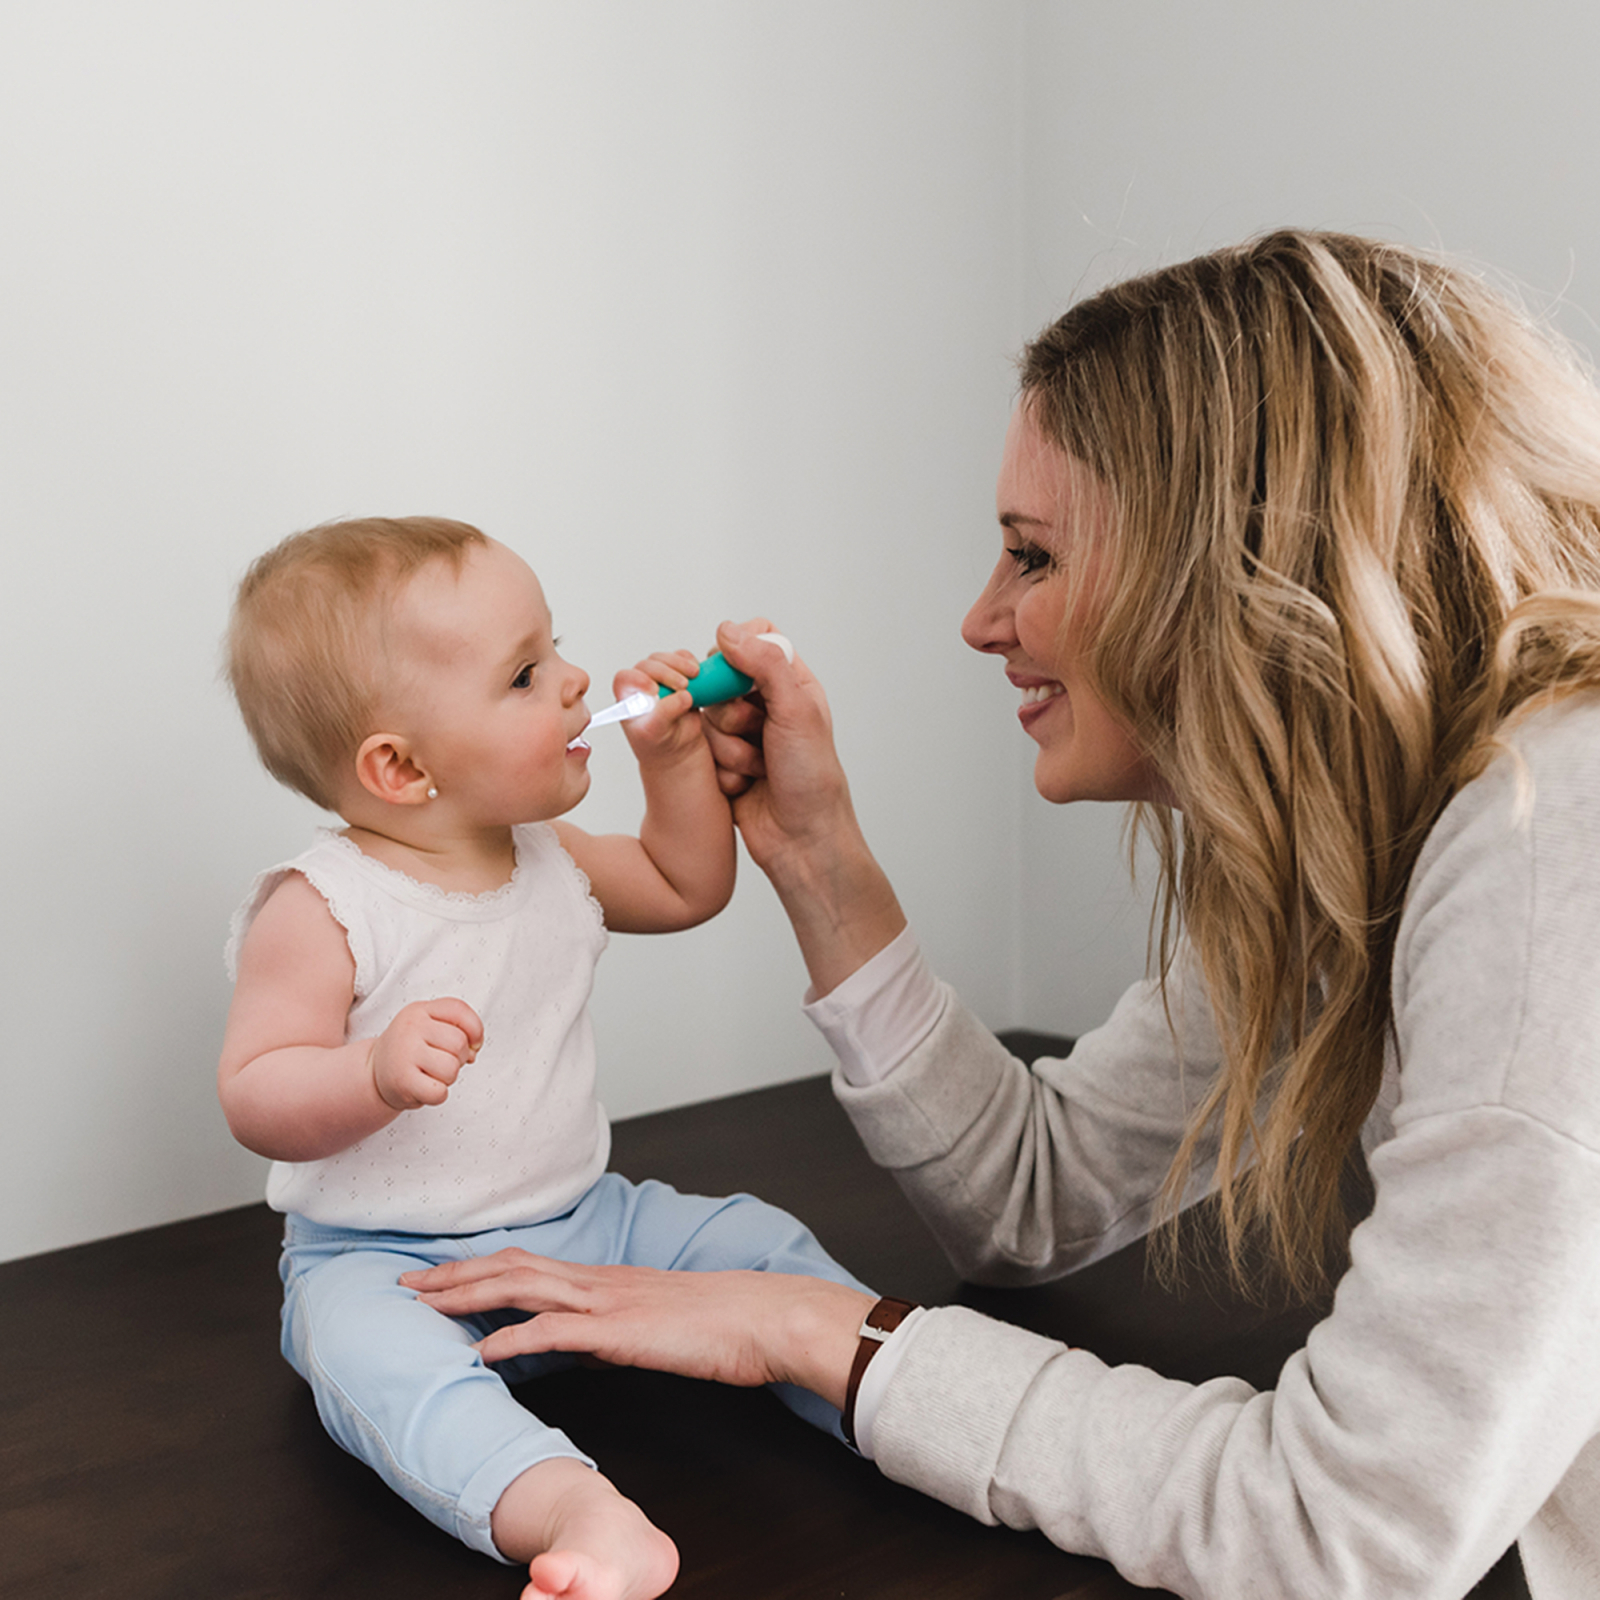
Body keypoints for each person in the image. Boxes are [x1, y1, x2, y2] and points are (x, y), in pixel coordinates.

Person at [402, 232, 1600, 1600]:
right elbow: (1033, 1199)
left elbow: (1343, 1533)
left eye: (1032, 556)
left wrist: (818, 1332)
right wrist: (814, 850)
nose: (982, 621)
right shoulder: (1371, 837)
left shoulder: (1551, 840)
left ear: (1238, 558)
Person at [218, 517, 870, 1600]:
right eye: (525, 673)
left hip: (588, 1224)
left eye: (554, 647)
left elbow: (683, 884)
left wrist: (673, 761)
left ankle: (875, 1391)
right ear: (400, 766)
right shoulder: (323, 906)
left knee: (755, 1238)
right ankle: (575, 1511)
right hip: (390, 1264)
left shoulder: (547, 853)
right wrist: (369, 1074)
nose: (573, 680)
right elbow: (254, 1090)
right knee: (370, 1364)